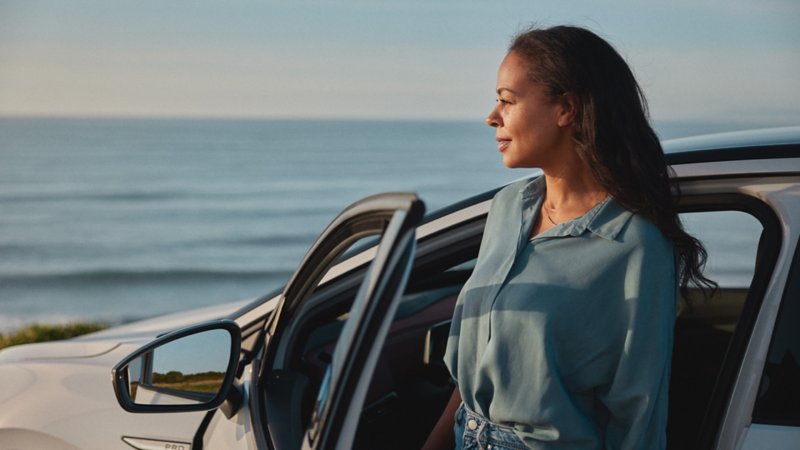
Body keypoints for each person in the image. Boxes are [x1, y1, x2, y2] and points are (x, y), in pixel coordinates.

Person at [421, 26, 715, 450]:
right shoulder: (508, 208)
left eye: (507, 100)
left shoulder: (634, 244)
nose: (492, 116)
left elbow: (638, 413)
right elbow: (475, 378)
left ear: (566, 109)